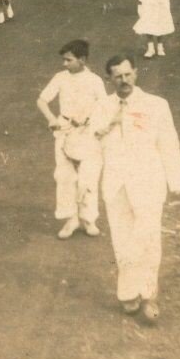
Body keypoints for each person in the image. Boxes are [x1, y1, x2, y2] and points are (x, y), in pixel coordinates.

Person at [91, 53, 180, 324]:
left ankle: (148, 294)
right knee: (122, 239)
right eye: (117, 76)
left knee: (146, 237)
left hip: (148, 181)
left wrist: (177, 182)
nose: (124, 80)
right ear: (109, 79)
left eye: (128, 74)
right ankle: (128, 293)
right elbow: (92, 143)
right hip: (115, 182)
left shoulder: (156, 105)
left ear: (136, 72)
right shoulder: (101, 107)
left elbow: (169, 144)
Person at [36, 40, 107, 240]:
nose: (64, 64)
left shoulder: (95, 81)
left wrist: (91, 122)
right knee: (64, 176)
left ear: (82, 60)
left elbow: (104, 107)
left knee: (88, 176)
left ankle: (88, 218)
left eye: (69, 60)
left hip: (88, 133)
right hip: (64, 131)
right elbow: (42, 100)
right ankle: (70, 219)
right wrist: (52, 119)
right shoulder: (60, 78)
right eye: (64, 60)